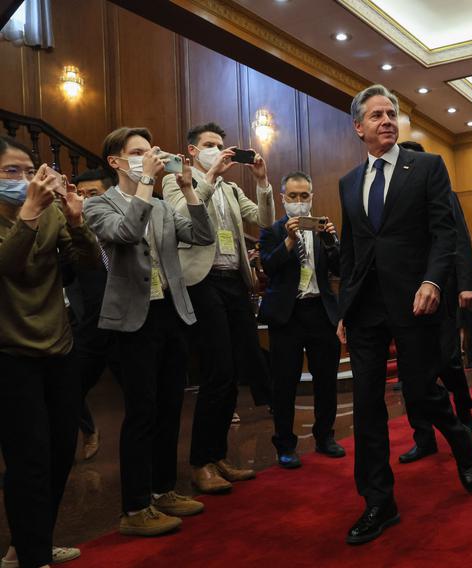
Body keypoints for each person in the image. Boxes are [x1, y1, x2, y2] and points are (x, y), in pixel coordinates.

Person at [336, 84, 472, 545]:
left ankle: (458, 435)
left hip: (417, 300)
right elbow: (352, 250)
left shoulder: (427, 167)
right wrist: (344, 309)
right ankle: (379, 501)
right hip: (365, 310)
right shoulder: (347, 183)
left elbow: (446, 232)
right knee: (366, 405)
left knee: (420, 393)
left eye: (391, 113)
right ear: (358, 127)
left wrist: (434, 281)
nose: (386, 120)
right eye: (375, 115)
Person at [84, 126, 215, 537]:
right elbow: (124, 233)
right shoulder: (98, 205)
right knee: (141, 412)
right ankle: (135, 507)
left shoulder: (160, 205)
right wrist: (144, 183)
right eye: (138, 152)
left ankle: (163, 490)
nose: (148, 157)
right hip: (133, 320)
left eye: (150, 151)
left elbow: (202, 234)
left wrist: (190, 188)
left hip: (170, 313)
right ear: (116, 161)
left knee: (170, 406)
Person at [0, 136, 98, 568]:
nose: (23, 178)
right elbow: (8, 266)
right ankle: (32, 554)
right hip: (10, 353)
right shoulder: (24, 215)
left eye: (27, 169)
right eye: (10, 171)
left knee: (61, 452)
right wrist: (28, 215)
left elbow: (90, 266)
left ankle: (30, 542)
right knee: (29, 458)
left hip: (58, 347)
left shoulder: (54, 212)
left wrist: (77, 222)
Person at [162, 122, 275, 494]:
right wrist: (208, 176)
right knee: (217, 371)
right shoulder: (175, 178)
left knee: (235, 372)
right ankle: (200, 463)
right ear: (193, 150)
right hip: (202, 280)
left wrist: (261, 181)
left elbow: (265, 221)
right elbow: (181, 215)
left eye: (222, 145)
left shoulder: (231, 187)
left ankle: (218, 455)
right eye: (210, 144)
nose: (219, 149)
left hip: (233, 281)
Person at [396, 140, 472, 463]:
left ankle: (464, 417)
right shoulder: (392, 196)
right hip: (403, 293)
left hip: (441, 289)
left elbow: (459, 236)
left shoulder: (443, 191)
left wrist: (466, 284)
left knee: (448, 362)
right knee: (411, 372)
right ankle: (424, 437)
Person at [258, 171, 344, 468]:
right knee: (284, 383)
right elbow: (268, 267)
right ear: (282, 199)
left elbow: (341, 268)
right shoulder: (273, 230)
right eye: (292, 196)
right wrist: (290, 242)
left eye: (303, 196)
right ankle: (284, 444)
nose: (298, 201)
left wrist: (331, 241)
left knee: (325, 380)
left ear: (312, 197)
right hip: (287, 316)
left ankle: (325, 436)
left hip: (321, 312)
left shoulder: (323, 228)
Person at [65, 169, 117, 462]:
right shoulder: (71, 232)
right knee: (69, 390)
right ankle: (87, 429)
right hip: (91, 328)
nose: (84, 200)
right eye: (80, 194)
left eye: (92, 194)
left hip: (126, 326)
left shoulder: (122, 226)